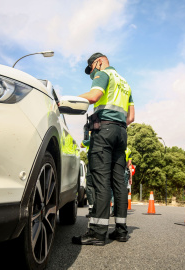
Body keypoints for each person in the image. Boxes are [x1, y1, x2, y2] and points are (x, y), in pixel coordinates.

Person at [72, 52, 135, 246]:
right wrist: (116, 125)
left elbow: (94, 96)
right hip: (121, 133)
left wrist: (70, 99)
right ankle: (121, 231)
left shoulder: (103, 73)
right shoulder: (125, 83)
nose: (92, 75)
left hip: (104, 131)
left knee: (100, 181)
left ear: (98, 63)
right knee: (118, 183)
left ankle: (98, 233)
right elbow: (131, 117)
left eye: (91, 70)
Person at [111, 146, 133, 216]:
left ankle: (113, 209)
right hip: (125, 171)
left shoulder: (114, 148)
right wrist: (130, 178)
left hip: (115, 170)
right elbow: (129, 164)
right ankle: (122, 209)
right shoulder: (128, 150)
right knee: (123, 190)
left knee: (113, 190)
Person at [80, 134, 95, 218]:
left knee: (90, 186)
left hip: (93, 162)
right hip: (105, 163)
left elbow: (82, 144)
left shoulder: (93, 133)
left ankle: (92, 209)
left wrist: (87, 135)